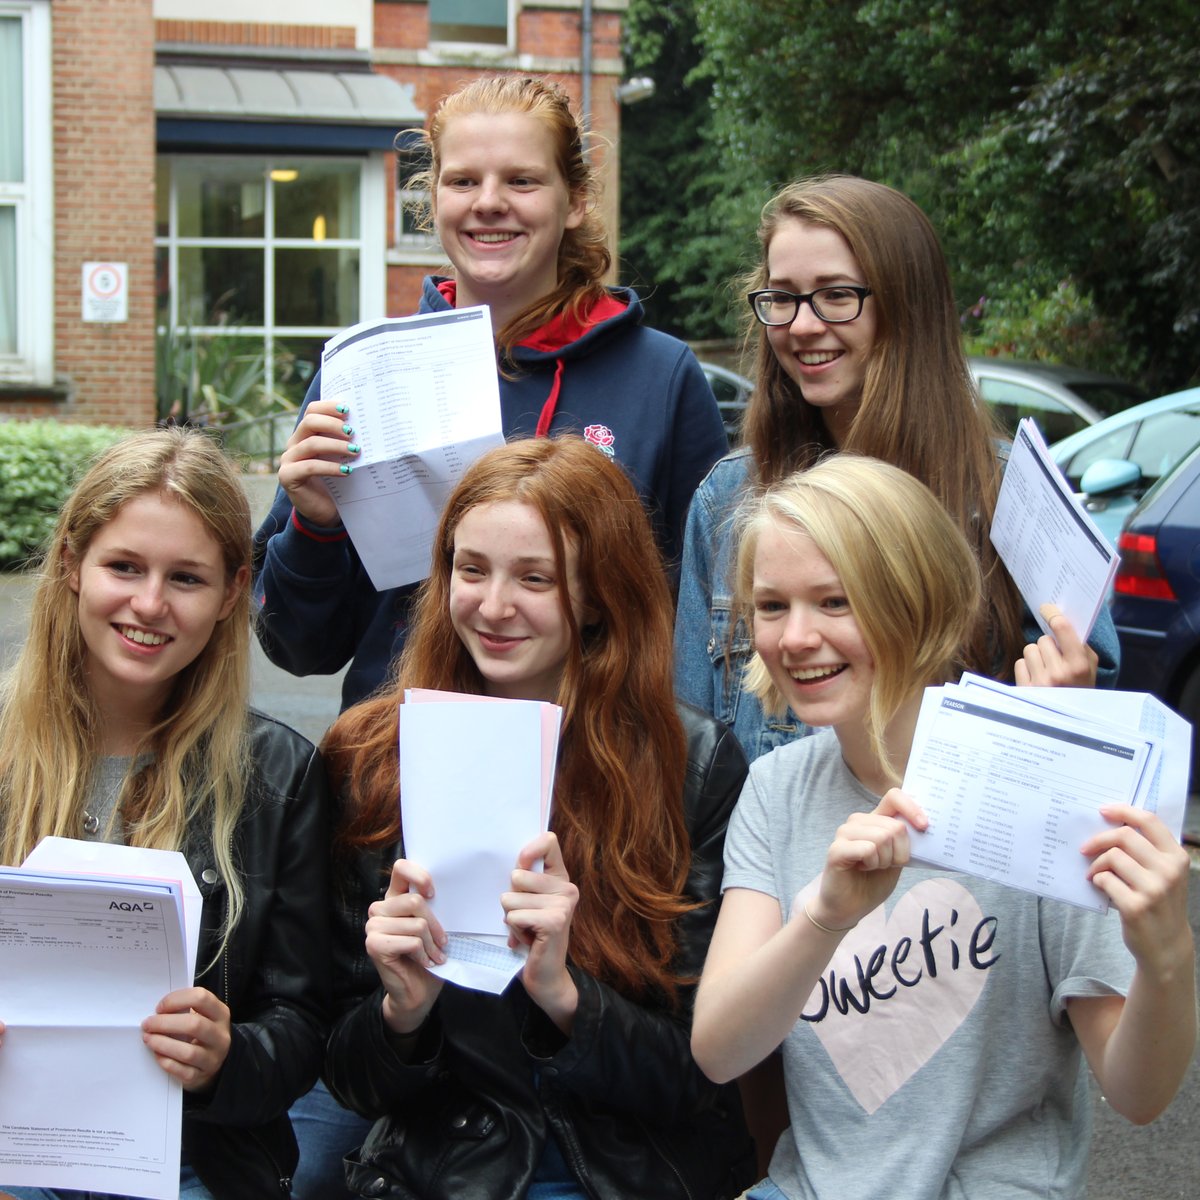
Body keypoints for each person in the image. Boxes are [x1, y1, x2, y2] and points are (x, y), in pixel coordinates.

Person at [689, 456, 1196, 1200]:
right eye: (771, 607)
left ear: (915, 602)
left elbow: (1136, 1091)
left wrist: (1169, 958)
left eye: (835, 601)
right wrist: (823, 919)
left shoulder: (1041, 784)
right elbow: (720, 1050)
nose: (795, 637)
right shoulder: (776, 787)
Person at [318, 437, 755, 1199]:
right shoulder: (377, 757)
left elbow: (697, 1074)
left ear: (595, 595)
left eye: (535, 578)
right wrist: (400, 1011)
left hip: (631, 1171)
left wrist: (564, 994)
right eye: (472, 568)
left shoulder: (691, 765)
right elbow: (347, 1080)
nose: (492, 607)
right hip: (442, 1175)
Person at [254, 73, 728, 713]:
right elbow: (297, 647)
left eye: (522, 180)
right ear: (434, 198)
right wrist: (314, 527)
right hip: (392, 769)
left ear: (576, 200)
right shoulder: (365, 372)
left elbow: (699, 629)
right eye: (464, 181)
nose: (489, 202)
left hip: (595, 770)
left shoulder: (661, 376)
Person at [674, 174, 1117, 765]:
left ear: (907, 305)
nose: (802, 325)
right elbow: (694, 754)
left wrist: (1067, 704)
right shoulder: (729, 498)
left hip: (944, 848)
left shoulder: (1009, 492)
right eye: (782, 297)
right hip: (769, 854)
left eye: (836, 294)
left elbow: (1091, 721)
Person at [0, 429, 331, 1200]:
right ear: (71, 563)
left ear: (229, 595)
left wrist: (226, 1058)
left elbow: (303, 1023)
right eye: (124, 566)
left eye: (185, 577)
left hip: (190, 1163)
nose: (149, 603)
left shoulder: (278, 775)